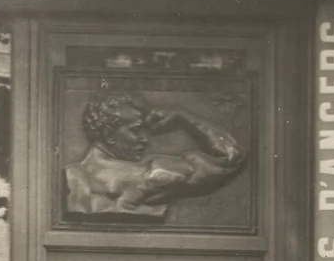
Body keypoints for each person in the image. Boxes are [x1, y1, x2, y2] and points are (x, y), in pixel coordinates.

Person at [64, 93, 245, 220]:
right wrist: (183, 117)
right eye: (135, 130)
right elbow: (231, 157)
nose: (145, 140)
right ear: (110, 136)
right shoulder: (150, 174)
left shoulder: (70, 175)